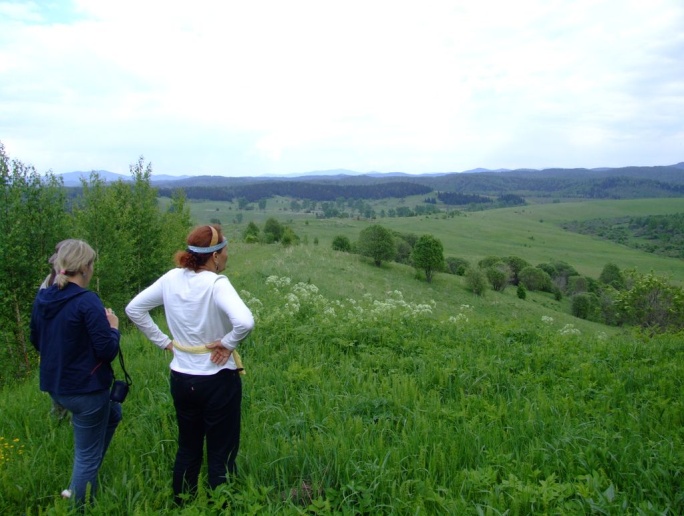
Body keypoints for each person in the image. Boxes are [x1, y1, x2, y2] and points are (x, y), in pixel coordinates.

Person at [125, 224, 254, 505]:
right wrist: (229, 343)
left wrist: (165, 342)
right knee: (221, 451)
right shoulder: (217, 284)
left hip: (182, 377)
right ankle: (219, 506)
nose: (227, 256)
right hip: (218, 379)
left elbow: (134, 308)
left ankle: (183, 504)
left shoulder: (171, 278)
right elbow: (245, 322)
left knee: (188, 446)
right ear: (215, 256)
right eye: (225, 251)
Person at [30, 239, 121, 505]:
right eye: (92, 264)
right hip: (86, 390)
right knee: (86, 455)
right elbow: (107, 350)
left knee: (114, 413)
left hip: (57, 385)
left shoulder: (44, 297)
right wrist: (113, 327)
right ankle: (76, 502)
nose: (92, 269)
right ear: (84, 268)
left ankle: (86, 477)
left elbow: (37, 340)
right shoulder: (87, 301)